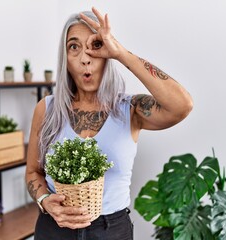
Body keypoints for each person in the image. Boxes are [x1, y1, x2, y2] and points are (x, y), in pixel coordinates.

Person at [25, 7, 193, 240]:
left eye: (95, 46)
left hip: (112, 230)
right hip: (54, 229)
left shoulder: (130, 109)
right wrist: (45, 201)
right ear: (65, 58)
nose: (85, 58)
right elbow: (33, 172)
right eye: (74, 47)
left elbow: (181, 105)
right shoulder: (46, 109)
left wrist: (120, 53)